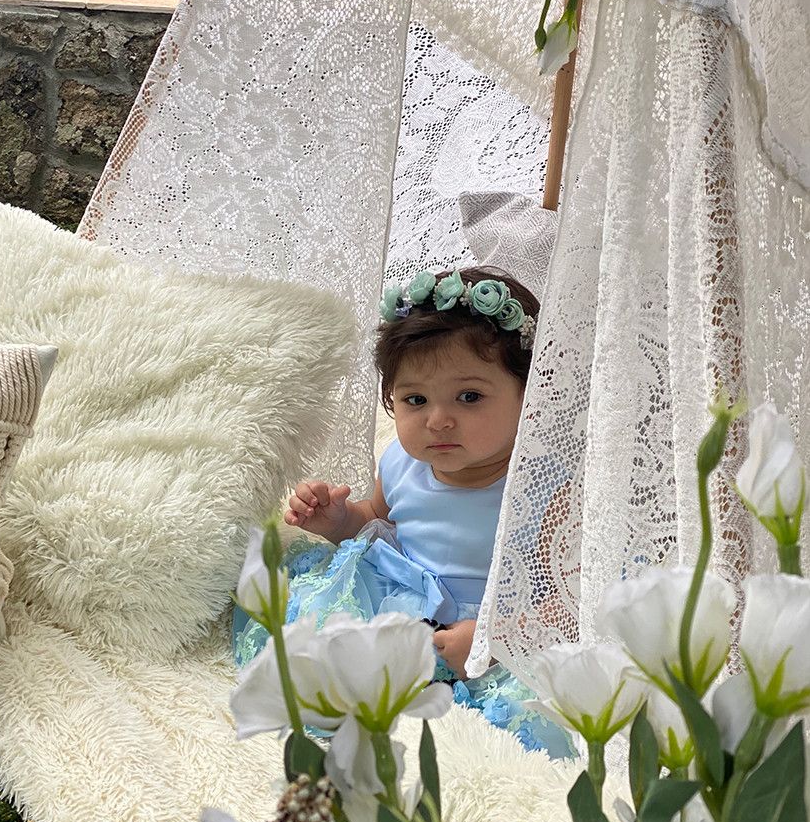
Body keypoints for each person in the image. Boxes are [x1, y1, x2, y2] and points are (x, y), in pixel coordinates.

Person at [233, 265, 573, 757]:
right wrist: (338, 521)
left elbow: (564, 596)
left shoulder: (545, 485)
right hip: (401, 604)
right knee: (326, 645)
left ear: (532, 394)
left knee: (523, 718)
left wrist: (494, 639)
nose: (438, 420)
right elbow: (380, 522)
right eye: (415, 399)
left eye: (470, 397)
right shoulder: (401, 462)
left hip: (489, 629)